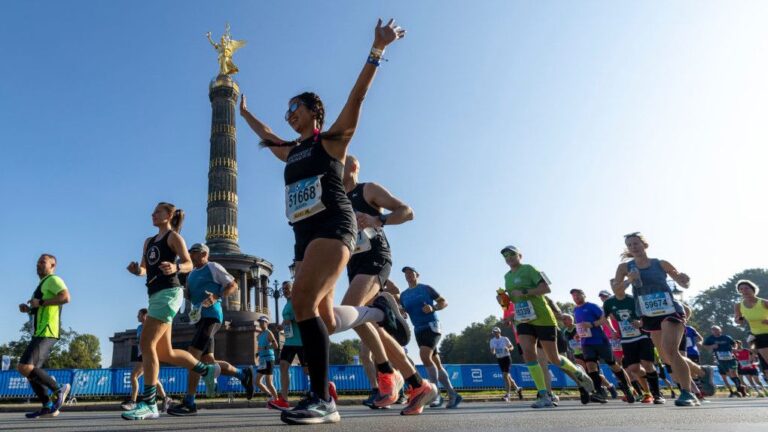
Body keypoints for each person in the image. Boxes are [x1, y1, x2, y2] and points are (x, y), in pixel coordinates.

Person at [239, 18, 406, 425]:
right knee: (326, 319)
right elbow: (266, 136)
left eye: (294, 108)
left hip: (334, 225)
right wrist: (242, 111)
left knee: (300, 302)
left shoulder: (331, 141)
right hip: (304, 233)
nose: (289, 115)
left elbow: (357, 97)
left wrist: (377, 50)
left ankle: (321, 399)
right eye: (287, 111)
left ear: (314, 110)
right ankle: (378, 313)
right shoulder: (292, 151)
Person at [340, 155, 435, 414]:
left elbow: (407, 212)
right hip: (353, 265)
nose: (336, 163)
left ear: (354, 167)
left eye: (342, 160)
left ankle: (387, 374)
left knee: (349, 310)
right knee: (369, 324)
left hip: (376, 258)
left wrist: (377, 220)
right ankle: (417, 384)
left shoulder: (368, 189)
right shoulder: (336, 198)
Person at [123, 202, 218, 420]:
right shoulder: (148, 242)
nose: (153, 214)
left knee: (147, 344)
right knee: (166, 352)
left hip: (169, 293)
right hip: (154, 293)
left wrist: (176, 267)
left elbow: (188, 264)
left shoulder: (174, 238)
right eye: (153, 211)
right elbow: (145, 268)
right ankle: (207, 370)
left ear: (169, 215)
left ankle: (149, 403)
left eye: (157, 211)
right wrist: (137, 270)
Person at [499, 245, 594, 408]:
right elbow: (512, 300)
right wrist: (504, 300)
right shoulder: (506, 277)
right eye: (505, 256)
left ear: (519, 255)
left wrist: (524, 292)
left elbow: (546, 288)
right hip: (523, 320)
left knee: (554, 358)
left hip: (542, 317)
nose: (509, 258)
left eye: (512, 254)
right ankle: (544, 395)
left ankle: (578, 372)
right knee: (529, 353)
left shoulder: (529, 269)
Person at [167, 243, 254, 416]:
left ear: (204, 254)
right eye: (190, 253)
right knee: (208, 363)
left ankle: (189, 402)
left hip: (212, 317)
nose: (191, 255)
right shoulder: (191, 274)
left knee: (192, 356)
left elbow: (233, 285)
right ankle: (243, 374)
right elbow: (190, 295)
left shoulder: (213, 267)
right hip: (199, 320)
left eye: (194, 252)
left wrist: (216, 296)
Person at [612, 232, 699, 407]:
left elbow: (683, 283)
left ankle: (687, 393)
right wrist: (629, 280)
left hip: (670, 310)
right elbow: (618, 293)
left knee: (671, 350)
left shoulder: (661, 263)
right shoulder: (624, 268)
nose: (633, 247)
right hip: (648, 314)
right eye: (629, 245)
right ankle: (702, 373)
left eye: (636, 243)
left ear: (644, 245)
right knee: (667, 358)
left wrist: (685, 280)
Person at [17, 254, 71, 419]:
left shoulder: (54, 279)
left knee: (24, 366)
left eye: (43, 262)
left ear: (53, 265)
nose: (38, 264)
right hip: (39, 331)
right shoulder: (42, 284)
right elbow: (42, 307)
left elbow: (65, 297)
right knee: (32, 372)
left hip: (47, 331)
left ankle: (58, 388)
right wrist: (29, 309)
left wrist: (39, 303)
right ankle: (48, 406)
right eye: (38, 262)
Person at [400, 267, 460, 409]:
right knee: (436, 363)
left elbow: (443, 302)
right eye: (406, 274)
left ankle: (435, 395)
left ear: (417, 275)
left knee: (424, 356)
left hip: (432, 326)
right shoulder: (403, 295)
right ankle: (453, 394)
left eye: (411, 273)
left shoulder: (426, 288)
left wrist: (433, 308)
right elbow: (403, 310)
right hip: (418, 329)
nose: (408, 276)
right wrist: (402, 312)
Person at [602, 284, 662, 404]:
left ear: (624, 286)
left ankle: (657, 395)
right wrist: (612, 329)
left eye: (619, 284)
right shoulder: (609, 302)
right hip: (627, 339)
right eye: (614, 286)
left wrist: (641, 322)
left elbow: (647, 313)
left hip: (643, 335)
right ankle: (651, 380)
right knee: (634, 368)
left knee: (647, 364)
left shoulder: (634, 299)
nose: (617, 287)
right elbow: (604, 317)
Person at [570, 289, 633, 403]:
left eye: (578, 295)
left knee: (613, 364)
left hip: (600, 340)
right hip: (586, 343)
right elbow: (581, 325)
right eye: (574, 296)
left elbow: (605, 318)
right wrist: (578, 334)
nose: (576, 298)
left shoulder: (592, 306)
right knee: (590, 366)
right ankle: (599, 392)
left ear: (584, 295)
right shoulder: (575, 309)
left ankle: (627, 388)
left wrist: (612, 331)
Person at [122, 308, 173, 413]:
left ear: (145, 316)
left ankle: (133, 401)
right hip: (142, 354)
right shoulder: (139, 328)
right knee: (153, 379)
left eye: (139, 314)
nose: (137, 316)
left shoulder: (151, 326)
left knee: (133, 376)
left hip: (148, 354)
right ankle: (165, 398)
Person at [270, 281, 309, 409]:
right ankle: (284, 400)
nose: (285, 291)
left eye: (287, 288)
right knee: (283, 366)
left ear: (293, 289)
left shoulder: (297, 301)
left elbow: (303, 315)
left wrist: (291, 319)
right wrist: (281, 326)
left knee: (307, 370)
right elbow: (287, 319)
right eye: (283, 289)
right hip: (289, 341)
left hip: (302, 341)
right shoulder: (287, 304)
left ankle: (326, 388)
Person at [734, 279, 768, 396]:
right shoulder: (739, 305)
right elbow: (738, 321)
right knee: (766, 363)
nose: (744, 291)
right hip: (757, 335)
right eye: (741, 289)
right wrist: (738, 320)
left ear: (753, 289)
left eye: (746, 288)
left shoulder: (763, 302)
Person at [702, 325, 744, 397]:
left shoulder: (726, 337)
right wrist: (712, 346)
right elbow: (704, 346)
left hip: (730, 358)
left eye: (716, 330)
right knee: (724, 376)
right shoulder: (710, 339)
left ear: (720, 330)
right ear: (711, 331)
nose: (715, 331)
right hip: (720, 359)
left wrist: (734, 348)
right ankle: (732, 391)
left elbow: (734, 344)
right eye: (713, 330)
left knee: (733, 373)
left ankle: (739, 389)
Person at [489, 327, 522, 401]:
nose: (495, 333)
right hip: (499, 359)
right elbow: (492, 351)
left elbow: (512, 347)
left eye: (496, 332)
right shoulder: (492, 341)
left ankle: (507, 395)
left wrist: (508, 349)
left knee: (505, 375)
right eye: (494, 332)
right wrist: (493, 351)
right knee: (508, 376)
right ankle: (517, 388)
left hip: (507, 358)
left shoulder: (504, 339)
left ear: (499, 332)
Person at [255, 316, 280, 403]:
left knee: (268, 382)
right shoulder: (259, 335)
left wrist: (266, 347)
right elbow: (260, 347)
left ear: (267, 323)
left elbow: (276, 346)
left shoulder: (269, 333)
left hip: (269, 359)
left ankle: (276, 399)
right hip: (262, 361)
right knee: (257, 381)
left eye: (262, 322)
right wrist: (258, 353)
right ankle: (270, 395)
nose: (260, 323)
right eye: (260, 322)